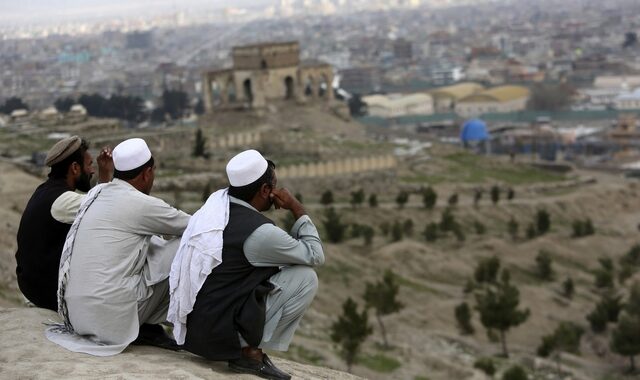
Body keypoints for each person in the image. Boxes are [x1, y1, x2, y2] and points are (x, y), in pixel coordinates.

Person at [176, 149, 324, 380]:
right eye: (274, 186)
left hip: (195, 332)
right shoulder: (259, 232)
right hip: (218, 338)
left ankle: (244, 345)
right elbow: (315, 255)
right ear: (265, 190)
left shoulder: (215, 211)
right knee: (304, 277)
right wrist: (297, 207)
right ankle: (249, 352)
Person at [46, 138, 190, 356]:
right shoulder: (142, 204)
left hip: (76, 317)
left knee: (151, 245)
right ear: (147, 173)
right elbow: (196, 227)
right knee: (187, 245)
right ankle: (198, 326)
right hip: (110, 321)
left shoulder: (96, 195)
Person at [15, 135, 113, 311]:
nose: (92, 171)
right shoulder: (63, 201)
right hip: (46, 292)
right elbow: (106, 206)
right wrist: (107, 173)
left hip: (32, 286)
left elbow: (98, 201)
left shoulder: (44, 190)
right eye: (90, 165)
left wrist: (104, 172)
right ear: (75, 168)